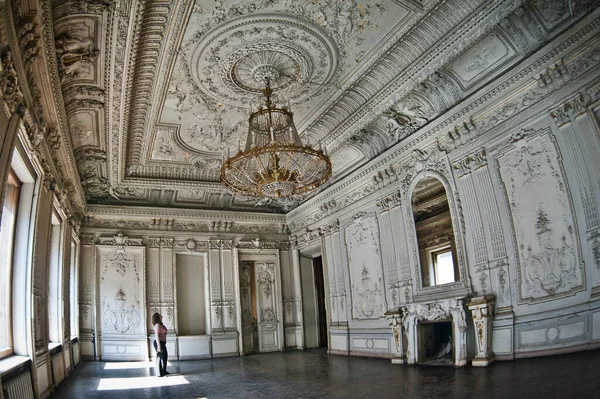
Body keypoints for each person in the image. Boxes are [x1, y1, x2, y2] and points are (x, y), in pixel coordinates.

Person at [152, 312, 169, 377]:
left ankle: (164, 370)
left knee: (164, 356)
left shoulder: (161, 325)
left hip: (162, 342)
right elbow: (157, 336)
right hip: (159, 342)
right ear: (158, 318)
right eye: (160, 316)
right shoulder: (157, 325)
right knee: (160, 357)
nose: (161, 316)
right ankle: (159, 372)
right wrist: (159, 346)